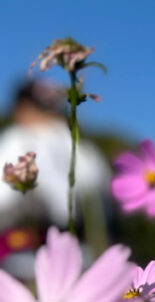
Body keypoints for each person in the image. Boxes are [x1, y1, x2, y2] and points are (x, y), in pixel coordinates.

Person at [0, 80, 109, 275]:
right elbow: (100, 187)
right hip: (76, 246)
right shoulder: (75, 142)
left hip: (29, 248)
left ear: (22, 107)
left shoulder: (18, 138)